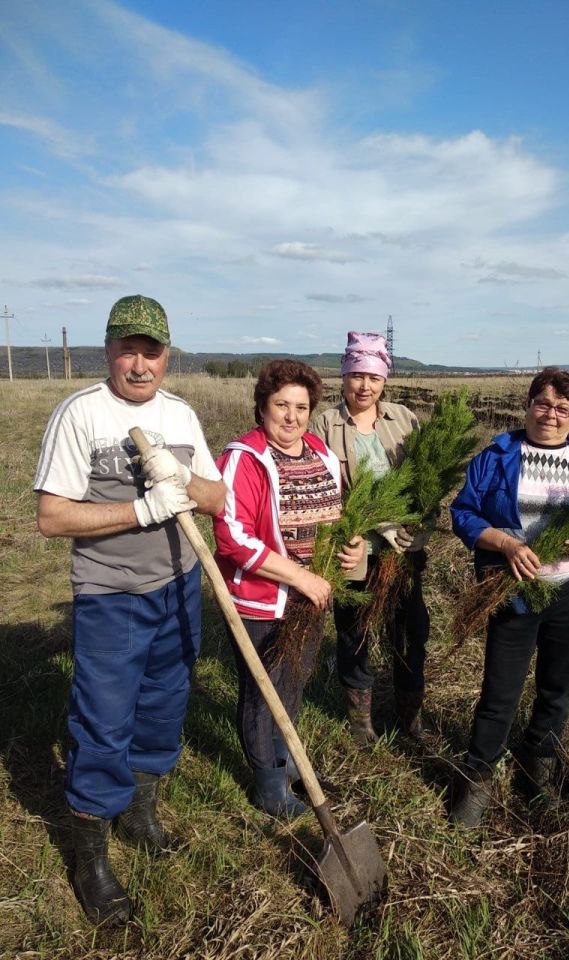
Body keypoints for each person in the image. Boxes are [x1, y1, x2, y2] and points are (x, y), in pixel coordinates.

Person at [34, 295, 226, 925]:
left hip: (179, 588)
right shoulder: (81, 413)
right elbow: (51, 516)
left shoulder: (181, 414)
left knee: (163, 705)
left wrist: (184, 479)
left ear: (167, 355)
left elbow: (219, 501)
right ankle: (90, 859)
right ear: (108, 349)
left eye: (153, 351)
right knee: (103, 720)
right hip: (111, 593)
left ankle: (140, 811)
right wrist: (137, 511)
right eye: (128, 349)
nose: (140, 364)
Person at [448, 367, 569, 827]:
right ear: (528, 404)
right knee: (499, 692)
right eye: (543, 404)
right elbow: (463, 514)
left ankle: (538, 766)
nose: (551, 415)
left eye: (563, 409)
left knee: (557, 690)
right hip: (514, 593)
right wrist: (507, 544)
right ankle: (479, 776)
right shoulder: (496, 456)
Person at [213, 359, 363, 818]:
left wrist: (351, 548)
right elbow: (233, 538)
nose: (292, 416)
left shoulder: (319, 452)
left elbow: (338, 518)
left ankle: (285, 761)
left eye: (301, 406)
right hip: (262, 599)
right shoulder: (243, 458)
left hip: (311, 598)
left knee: (295, 681)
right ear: (262, 407)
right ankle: (267, 785)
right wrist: (299, 576)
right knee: (263, 692)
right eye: (282, 405)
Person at [312, 331, 431, 745]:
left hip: (402, 549)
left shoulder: (404, 419)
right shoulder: (324, 424)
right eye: (356, 375)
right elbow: (321, 491)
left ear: (385, 380)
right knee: (354, 632)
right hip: (353, 549)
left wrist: (415, 525)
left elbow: (424, 481)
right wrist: (355, 532)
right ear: (343, 376)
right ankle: (361, 724)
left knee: (411, 630)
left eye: (373, 377)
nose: (364, 385)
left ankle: (409, 720)